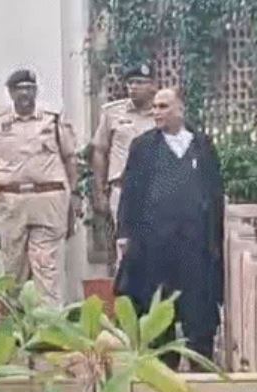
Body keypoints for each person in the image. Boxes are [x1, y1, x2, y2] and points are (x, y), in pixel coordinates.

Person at [115, 88, 224, 370]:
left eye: (163, 106)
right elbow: (130, 194)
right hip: (155, 251)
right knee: (157, 316)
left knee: (199, 316)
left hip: (195, 250)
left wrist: (215, 243)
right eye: (154, 107)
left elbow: (215, 196)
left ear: (180, 109)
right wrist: (125, 235)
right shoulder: (143, 147)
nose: (156, 112)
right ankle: (162, 375)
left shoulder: (202, 146)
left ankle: (202, 375)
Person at [0, 69, 81, 306]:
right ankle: (17, 318)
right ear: (10, 93)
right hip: (11, 200)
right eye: (19, 89)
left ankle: (50, 320)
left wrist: (73, 194)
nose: (24, 94)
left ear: (35, 91)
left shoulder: (52, 120)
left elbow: (70, 158)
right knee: (13, 265)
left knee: (47, 264)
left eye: (29, 88)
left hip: (48, 197)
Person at [91, 63, 156, 225]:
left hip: (155, 189)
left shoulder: (160, 113)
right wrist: (99, 192)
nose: (133, 87)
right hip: (122, 189)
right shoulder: (112, 113)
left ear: (152, 86)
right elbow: (99, 151)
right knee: (124, 237)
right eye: (130, 82)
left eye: (139, 82)